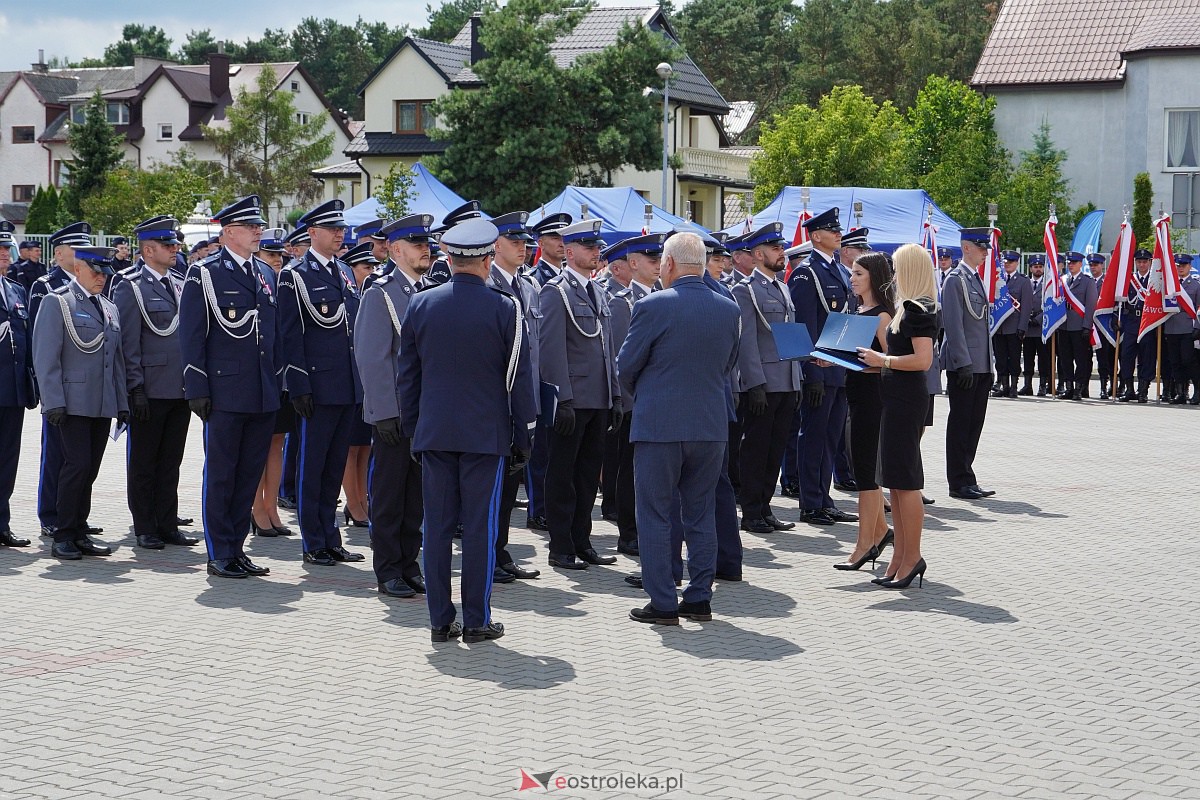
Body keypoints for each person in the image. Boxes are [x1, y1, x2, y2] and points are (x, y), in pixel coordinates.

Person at [396, 218, 536, 643]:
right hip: (484, 436)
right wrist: (524, 434)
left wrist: (414, 429)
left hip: (434, 434)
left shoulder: (421, 304)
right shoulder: (504, 306)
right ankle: (476, 619)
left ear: (449, 258)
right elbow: (518, 378)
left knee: (436, 529)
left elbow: (407, 376)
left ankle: (440, 620)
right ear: (487, 259)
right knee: (479, 529)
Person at [617, 232, 740, 625]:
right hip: (709, 423)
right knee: (700, 513)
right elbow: (726, 366)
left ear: (668, 264)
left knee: (654, 514)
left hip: (659, 425)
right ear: (702, 264)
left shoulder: (652, 305)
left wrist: (651, 394)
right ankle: (700, 597)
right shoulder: (727, 308)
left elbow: (625, 366)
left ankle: (663, 602)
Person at [179, 195, 281, 579]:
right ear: (228, 232)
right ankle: (219, 551)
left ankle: (237, 548)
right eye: (251, 227)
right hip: (224, 391)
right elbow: (191, 335)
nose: (258, 232)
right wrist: (197, 386)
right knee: (222, 473)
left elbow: (272, 335)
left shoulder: (265, 273)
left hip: (261, 390)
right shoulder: (205, 273)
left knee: (248, 473)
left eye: (258, 226)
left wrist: (279, 381)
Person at [276, 199, 366, 567]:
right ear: (312, 233)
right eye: (332, 230)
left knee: (333, 467)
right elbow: (289, 334)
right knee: (312, 468)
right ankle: (313, 541)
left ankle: (332, 537)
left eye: (341, 229)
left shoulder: (344, 273)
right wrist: (298, 386)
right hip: (317, 387)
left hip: (345, 386)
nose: (339, 235)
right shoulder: (294, 275)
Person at [354, 213, 436, 599]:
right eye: (419, 245)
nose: (427, 250)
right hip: (397, 413)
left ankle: (409, 563)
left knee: (416, 495)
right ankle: (388, 567)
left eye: (427, 245)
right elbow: (372, 358)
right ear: (396, 250)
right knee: (389, 495)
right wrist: (383, 410)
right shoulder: (381, 293)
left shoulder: (430, 291)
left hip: (426, 413)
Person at [32, 245, 128, 560]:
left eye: (105, 273)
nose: (102, 278)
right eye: (96, 272)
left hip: (101, 403)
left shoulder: (109, 308)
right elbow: (46, 357)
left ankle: (80, 530)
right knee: (76, 466)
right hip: (71, 403)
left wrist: (121, 402)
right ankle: (63, 533)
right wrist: (52, 402)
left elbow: (116, 361)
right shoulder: (58, 302)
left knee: (90, 469)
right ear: (78, 270)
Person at [538, 219, 621, 570]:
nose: (596, 252)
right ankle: (560, 546)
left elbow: (608, 349)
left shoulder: (598, 292)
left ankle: (582, 540)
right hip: (573, 399)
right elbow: (551, 348)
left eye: (597, 246)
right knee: (563, 475)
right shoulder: (555, 292)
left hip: (598, 398)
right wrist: (563, 398)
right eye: (589, 247)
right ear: (570, 252)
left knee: (588, 477)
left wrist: (615, 395)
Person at [111, 216, 198, 550]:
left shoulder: (178, 281)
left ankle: (167, 523)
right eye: (167, 245)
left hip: (179, 388)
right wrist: (135, 388)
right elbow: (128, 343)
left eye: (175, 244)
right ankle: (145, 526)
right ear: (148, 250)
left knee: (170, 461)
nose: (175, 249)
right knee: (144, 462)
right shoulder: (129, 285)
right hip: (149, 388)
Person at [856, 243, 936, 589]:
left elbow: (923, 361)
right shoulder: (906, 307)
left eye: (899, 267)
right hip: (895, 397)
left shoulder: (920, 309)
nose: (894, 274)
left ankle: (911, 557)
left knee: (906, 484)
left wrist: (882, 361)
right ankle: (899, 558)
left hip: (907, 399)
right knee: (895, 482)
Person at [788, 209, 857, 526]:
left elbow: (846, 320)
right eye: (832, 229)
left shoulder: (841, 272)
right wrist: (811, 374)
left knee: (830, 438)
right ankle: (810, 502)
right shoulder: (806, 273)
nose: (838, 233)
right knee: (813, 437)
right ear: (816, 236)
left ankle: (824, 498)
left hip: (839, 369)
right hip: (818, 371)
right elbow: (802, 327)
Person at [731, 222, 801, 534]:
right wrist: (754, 383)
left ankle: (765, 506)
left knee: (776, 449)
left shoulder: (782, 287)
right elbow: (745, 341)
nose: (781, 253)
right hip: (763, 383)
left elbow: (788, 335)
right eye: (775, 248)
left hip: (785, 379)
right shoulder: (745, 290)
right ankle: (751, 511)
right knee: (756, 449)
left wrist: (797, 376)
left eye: (782, 248)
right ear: (758, 254)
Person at [486, 211, 544, 582]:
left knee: (510, 485)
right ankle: (489, 551)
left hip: (523, 400)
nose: (523, 248)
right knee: (492, 486)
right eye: (515, 241)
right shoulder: (488, 285)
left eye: (525, 242)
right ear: (495, 245)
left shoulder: (529, 287)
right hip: (496, 402)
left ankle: (501, 548)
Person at [30, 221, 93, 539]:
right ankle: (50, 514)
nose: (82, 253)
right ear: (58, 254)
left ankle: (74, 515)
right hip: (59, 384)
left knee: (81, 459)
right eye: (76, 248)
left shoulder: (90, 283)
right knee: (55, 452)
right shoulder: (46, 285)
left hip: (85, 387)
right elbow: (39, 339)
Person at [608, 233, 667, 557]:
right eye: (650, 260)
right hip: (634, 402)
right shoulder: (622, 303)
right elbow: (621, 359)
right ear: (632, 264)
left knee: (652, 474)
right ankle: (628, 533)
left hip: (658, 401)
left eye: (659, 259)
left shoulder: (662, 297)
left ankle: (644, 531)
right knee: (630, 471)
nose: (657, 265)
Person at [834, 251, 895, 571]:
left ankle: (865, 544)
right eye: (852, 273)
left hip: (872, 397)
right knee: (862, 470)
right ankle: (880, 532)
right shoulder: (859, 310)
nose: (852, 278)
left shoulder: (882, 315)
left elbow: (891, 363)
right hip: (855, 394)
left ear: (874, 276)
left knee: (866, 473)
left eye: (859, 274)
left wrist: (874, 361)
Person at [522, 212, 573, 532]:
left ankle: (550, 504)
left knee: (559, 451)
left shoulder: (569, 279)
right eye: (556, 238)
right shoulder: (535, 279)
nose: (562, 243)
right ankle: (537, 507)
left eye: (566, 238)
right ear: (541, 243)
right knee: (540, 448)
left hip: (563, 372)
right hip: (539, 374)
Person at [941, 227, 995, 500]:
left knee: (975, 424)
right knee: (961, 424)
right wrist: (962, 362)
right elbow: (953, 325)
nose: (985, 252)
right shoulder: (955, 280)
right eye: (981, 247)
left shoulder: (975, 279)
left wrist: (989, 365)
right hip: (965, 365)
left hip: (980, 364)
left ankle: (968, 475)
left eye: (986, 247)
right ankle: (958, 481)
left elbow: (981, 327)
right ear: (966, 248)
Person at [249, 228, 295, 538]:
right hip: (256, 378)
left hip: (279, 376)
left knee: (276, 444)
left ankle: (271, 507)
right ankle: (255, 509)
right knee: (257, 448)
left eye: (279, 254)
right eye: (270, 254)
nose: (276, 260)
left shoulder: (281, 283)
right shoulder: (255, 280)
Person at [0, 232, 36, 548]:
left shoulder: (15, 290)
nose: (3, 255)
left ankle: (2, 524)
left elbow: (25, 344)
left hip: (11, 392)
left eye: (5, 249)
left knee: (7, 460)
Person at [340, 241, 378, 528]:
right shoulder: (350, 294)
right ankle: (352, 503)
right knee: (350, 449)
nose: (371, 271)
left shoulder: (367, 293)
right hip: (349, 381)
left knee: (364, 448)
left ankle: (362, 499)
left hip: (365, 384)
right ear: (350, 269)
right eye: (366, 267)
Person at [991, 250, 1035, 399]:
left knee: (1014, 358)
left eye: (1011, 261)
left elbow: (1027, 307)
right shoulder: (997, 279)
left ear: (1017, 263)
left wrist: (1022, 327)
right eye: (1005, 262)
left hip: (1014, 327)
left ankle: (1014, 387)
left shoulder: (1023, 281)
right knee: (1001, 358)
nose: (1007, 264)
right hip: (999, 326)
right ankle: (1004, 386)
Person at [1056, 252, 1098, 400]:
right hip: (1064, 325)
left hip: (1079, 326)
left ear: (1081, 264)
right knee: (1065, 358)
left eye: (1074, 262)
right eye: (1069, 262)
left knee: (1081, 359)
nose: (1071, 265)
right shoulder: (1062, 281)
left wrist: (1087, 326)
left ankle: (1079, 388)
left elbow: (1091, 305)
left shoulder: (1088, 282)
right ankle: (1068, 387)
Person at [1117, 249, 1156, 402]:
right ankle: (1129, 389)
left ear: (1150, 262)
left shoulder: (1155, 280)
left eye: (1144, 261)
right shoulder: (1128, 280)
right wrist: (1118, 320)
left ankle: (1143, 390)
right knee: (1126, 356)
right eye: (1139, 262)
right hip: (1131, 321)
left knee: (1146, 357)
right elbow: (1120, 302)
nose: (1141, 264)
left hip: (1147, 322)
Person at [1164, 253, 1200, 404]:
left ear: (1190, 267)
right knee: (1175, 361)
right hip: (1171, 327)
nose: (1180, 268)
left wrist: (1198, 327)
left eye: (1183, 265)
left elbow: (1199, 307)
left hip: (1187, 328)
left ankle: (1197, 391)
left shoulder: (1195, 285)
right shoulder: (1170, 284)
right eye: (1178, 265)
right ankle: (1181, 393)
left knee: (1188, 361)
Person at [1021, 255, 1052, 396]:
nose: (1038, 269)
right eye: (1035, 267)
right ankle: (1027, 385)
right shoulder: (1025, 282)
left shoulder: (1048, 284)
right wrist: (1026, 318)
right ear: (1030, 268)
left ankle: (1042, 386)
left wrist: (1038, 319)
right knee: (1028, 357)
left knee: (1043, 358)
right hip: (1027, 328)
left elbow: (1051, 304)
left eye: (1040, 267)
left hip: (1041, 327)